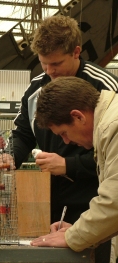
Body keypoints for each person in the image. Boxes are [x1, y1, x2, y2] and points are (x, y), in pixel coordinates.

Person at [0, 15, 118, 262]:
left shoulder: (106, 91)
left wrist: (69, 165)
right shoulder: (36, 88)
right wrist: (12, 155)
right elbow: (22, 132)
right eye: (44, 65)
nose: (50, 72)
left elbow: (113, 196)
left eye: (56, 64)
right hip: (59, 203)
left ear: (76, 52)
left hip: (95, 200)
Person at [30, 76, 118, 254]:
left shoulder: (113, 127)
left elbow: (114, 201)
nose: (67, 141)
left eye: (64, 133)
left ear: (78, 116)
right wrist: (79, 230)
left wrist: (73, 236)